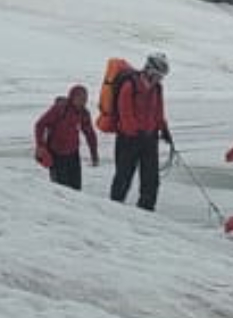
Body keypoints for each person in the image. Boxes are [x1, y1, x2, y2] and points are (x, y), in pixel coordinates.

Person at [108, 51, 173, 210]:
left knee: (151, 178)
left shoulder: (157, 88)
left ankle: (146, 209)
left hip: (149, 138)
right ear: (150, 69)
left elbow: (158, 111)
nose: (160, 78)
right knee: (124, 175)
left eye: (162, 75)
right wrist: (134, 132)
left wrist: (163, 129)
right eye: (159, 74)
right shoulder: (130, 84)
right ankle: (114, 206)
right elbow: (125, 111)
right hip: (128, 138)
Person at [34, 84, 99, 191]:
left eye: (85, 98)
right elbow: (40, 125)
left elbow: (90, 134)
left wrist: (94, 154)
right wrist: (40, 146)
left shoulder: (84, 113)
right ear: (72, 97)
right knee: (61, 189)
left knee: (76, 188)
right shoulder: (59, 109)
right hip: (56, 154)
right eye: (80, 98)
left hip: (73, 154)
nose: (83, 101)